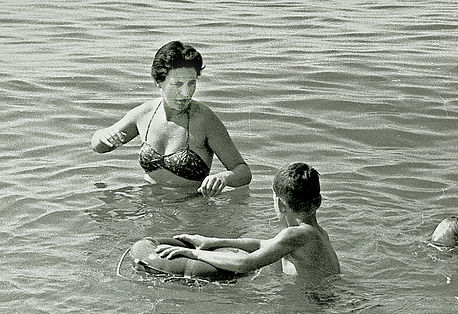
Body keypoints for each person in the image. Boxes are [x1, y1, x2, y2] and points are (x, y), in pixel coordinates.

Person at [90, 40, 251, 196]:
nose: (186, 92)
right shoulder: (144, 114)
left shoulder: (204, 119)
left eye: (191, 83)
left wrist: (224, 177)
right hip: (147, 204)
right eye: (178, 84)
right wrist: (103, 136)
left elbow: (243, 171)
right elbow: (99, 147)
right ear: (159, 81)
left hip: (191, 207)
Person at [154, 162, 340, 280]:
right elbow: (262, 244)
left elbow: (245, 263)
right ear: (318, 201)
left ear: (280, 204)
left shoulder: (296, 234)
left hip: (317, 304)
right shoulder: (315, 232)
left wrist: (193, 254)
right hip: (326, 300)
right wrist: (213, 242)